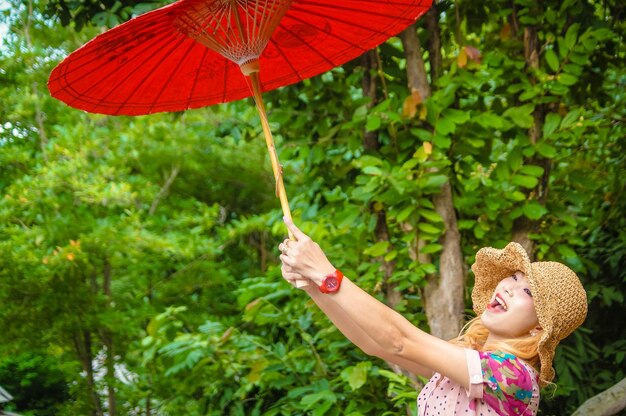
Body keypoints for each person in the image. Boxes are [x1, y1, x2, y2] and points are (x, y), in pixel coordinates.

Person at [278, 217, 588, 415]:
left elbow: (400, 341)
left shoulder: (512, 376)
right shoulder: (467, 360)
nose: (508, 286)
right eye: (514, 277)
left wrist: (328, 274)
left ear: (538, 330)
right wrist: (315, 286)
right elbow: (377, 345)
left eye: (527, 291)